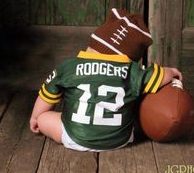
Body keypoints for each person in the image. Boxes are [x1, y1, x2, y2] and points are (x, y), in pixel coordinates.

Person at [29, 8, 182, 151]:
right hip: (120, 140)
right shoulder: (132, 71)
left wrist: (36, 117)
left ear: (93, 42)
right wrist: (172, 71)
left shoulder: (68, 67)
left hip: (74, 137)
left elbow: (46, 96)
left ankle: (45, 122)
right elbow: (160, 75)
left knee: (45, 118)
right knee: (136, 102)